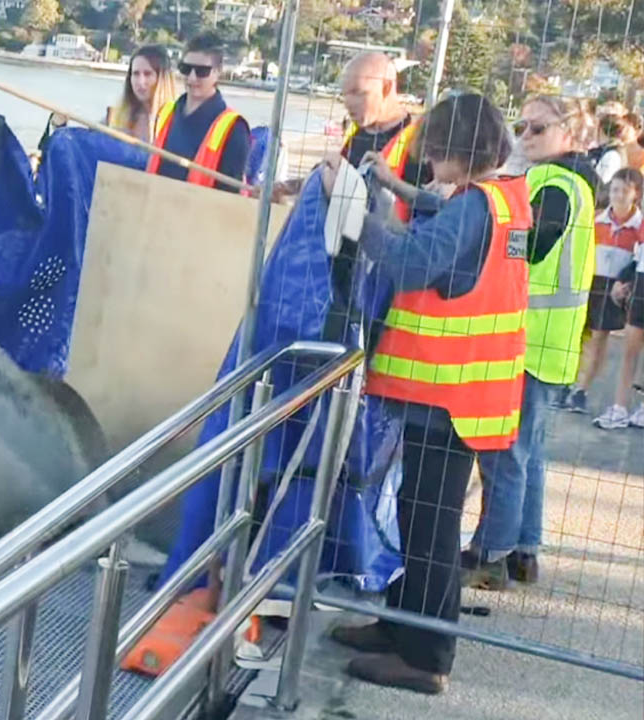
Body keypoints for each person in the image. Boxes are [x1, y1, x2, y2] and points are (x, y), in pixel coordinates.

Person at [322, 93, 528, 694]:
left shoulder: (473, 207)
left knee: (432, 529)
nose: (428, 160)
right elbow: (445, 213)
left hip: (447, 399)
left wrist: (360, 217)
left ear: (455, 150)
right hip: (464, 400)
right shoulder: (498, 198)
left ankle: (427, 657)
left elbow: (414, 263)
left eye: (434, 151)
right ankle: (400, 623)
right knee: (418, 514)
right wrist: (395, 186)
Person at [465, 95, 599, 591]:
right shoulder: (575, 183)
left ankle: (492, 554)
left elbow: (531, 248)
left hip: (528, 336)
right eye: (521, 126)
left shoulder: (554, 183)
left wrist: (499, 233)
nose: (524, 136)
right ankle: (525, 550)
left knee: (506, 452)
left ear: (568, 132)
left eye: (537, 128)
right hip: (552, 341)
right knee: (530, 452)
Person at [272, 52, 430, 220]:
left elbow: (424, 207)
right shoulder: (355, 132)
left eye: (358, 92)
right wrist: (284, 188)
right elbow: (330, 180)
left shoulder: (417, 142)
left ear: (386, 88)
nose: (348, 103)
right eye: (345, 94)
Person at [144, 32, 251, 194]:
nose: (192, 78)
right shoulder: (166, 113)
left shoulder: (234, 128)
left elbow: (231, 198)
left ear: (218, 72)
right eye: (186, 69)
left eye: (202, 71)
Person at [580, 169, 644, 428]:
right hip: (639, 279)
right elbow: (638, 254)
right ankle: (618, 407)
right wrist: (624, 278)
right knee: (630, 347)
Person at [40, 45, 179, 147]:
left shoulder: (178, 120)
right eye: (135, 74)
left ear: (162, 78)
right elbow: (83, 149)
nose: (140, 82)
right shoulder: (113, 117)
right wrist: (60, 126)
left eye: (148, 74)